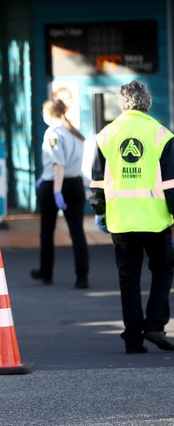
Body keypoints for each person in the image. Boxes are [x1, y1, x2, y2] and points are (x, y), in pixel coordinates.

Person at [90, 80, 174, 354]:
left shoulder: (106, 134)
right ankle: (155, 325)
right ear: (147, 103)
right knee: (163, 270)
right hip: (156, 219)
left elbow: (98, 182)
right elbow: (172, 183)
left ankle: (133, 339)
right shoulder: (162, 135)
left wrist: (100, 212)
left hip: (121, 220)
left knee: (129, 277)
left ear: (123, 103)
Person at [31, 98, 90, 288]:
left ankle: (46, 272)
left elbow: (59, 164)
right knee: (77, 232)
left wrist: (56, 191)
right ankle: (82, 276)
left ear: (49, 113)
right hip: (75, 184)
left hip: (55, 185)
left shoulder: (53, 133)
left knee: (47, 231)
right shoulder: (75, 132)